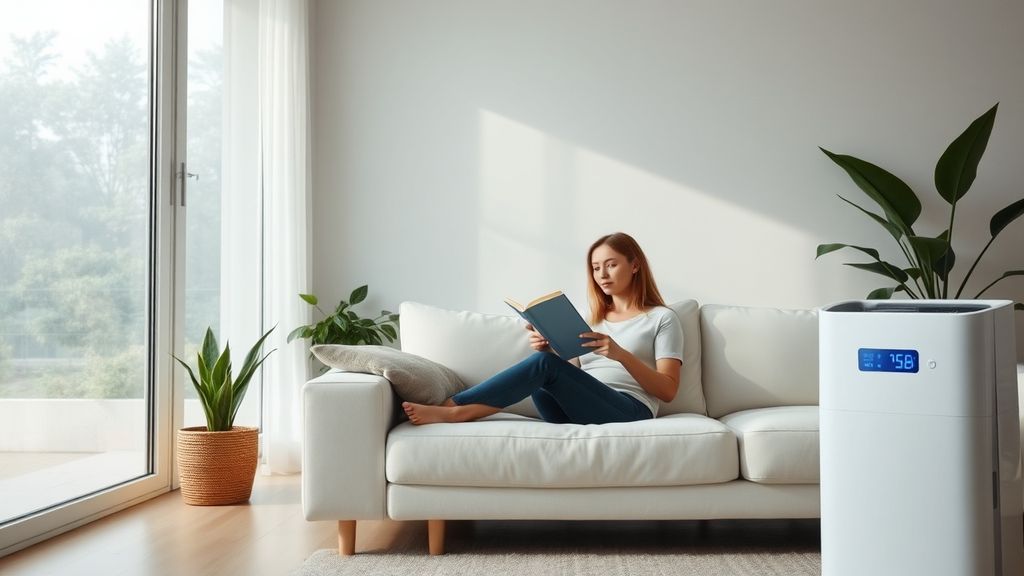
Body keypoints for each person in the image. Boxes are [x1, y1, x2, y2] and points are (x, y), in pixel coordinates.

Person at [402, 232, 683, 425]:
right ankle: (457, 412)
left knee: (544, 365)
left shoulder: (661, 318)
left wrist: (622, 355)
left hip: (630, 411)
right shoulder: (592, 317)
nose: (602, 275)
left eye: (611, 265)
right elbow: (573, 371)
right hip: (578, 408)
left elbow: (668, 390)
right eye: (596, 268)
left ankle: (453, 409)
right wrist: (551, 349)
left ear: (634, 265)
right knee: (544, 367)